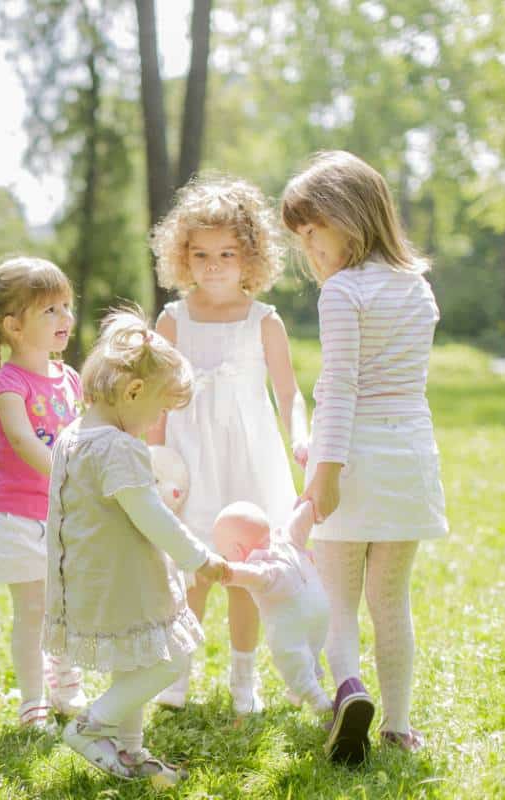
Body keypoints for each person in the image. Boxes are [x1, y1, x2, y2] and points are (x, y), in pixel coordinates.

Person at [281, 150, 448, 763]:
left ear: (344, 216)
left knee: (339, 600)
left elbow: (344, 387)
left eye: (311, 232)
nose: (309, 250)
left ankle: (349, 690)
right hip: (408, 457)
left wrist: (322, 473)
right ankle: (399, 726)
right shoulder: (418, 287)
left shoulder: (343, 291)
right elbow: (397, 383)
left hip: (351, 458)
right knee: (392, 600)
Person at [44, 306, 229, 786]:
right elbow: (150, 515)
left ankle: (130, 752)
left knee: (135, 664)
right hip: (124, 581)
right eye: (162, 407)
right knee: (171, 660)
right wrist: (200, 558)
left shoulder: (74, 436)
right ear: (132, 392)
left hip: (90, 577)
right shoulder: (119, 448)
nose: (161, 420)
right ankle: (91, 726)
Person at [148, 176, 310, 714]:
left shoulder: (265, 321)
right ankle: (178, 672)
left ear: (250, 257)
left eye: (226, 253)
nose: (213, 265)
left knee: (245, 568)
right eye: (200, 254)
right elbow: (154, 401)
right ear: (182, 257)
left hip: (248, 456)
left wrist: (301, 438)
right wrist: (153, 461)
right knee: (194, 565)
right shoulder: (172, 321)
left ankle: (245, 677)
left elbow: (288, 394)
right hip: (191, 458)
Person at [0, 255, 87, 730]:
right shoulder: (8, 385)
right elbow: (23, 441)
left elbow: (84, 433)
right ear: (14, 326)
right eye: (50, 310)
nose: (65, 318)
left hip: (65, 515)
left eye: (66, 306)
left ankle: (66, 681)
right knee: (32, 609)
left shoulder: (71, 379)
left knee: (69, 603)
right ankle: (32, 699)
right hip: (19, 518)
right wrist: (67, 474)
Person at [214, 499, 331, 714]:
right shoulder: (286, 539)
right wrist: (310, 506)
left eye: (225, 554)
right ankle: (305, 684)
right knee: (312, 648)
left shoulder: (260, 567)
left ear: (237, 550)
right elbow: (299, 523)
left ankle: (320, 702)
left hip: (291, 619)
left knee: (290, 658)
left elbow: (253, 575)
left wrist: (227, 572)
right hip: (321, 607)